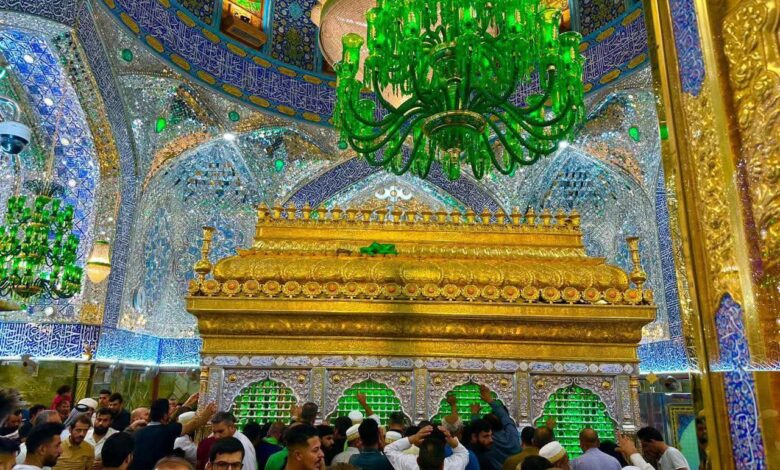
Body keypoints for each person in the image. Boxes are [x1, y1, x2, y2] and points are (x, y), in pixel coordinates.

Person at [132, 398, 217, 470]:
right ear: (165, 415)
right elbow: (193, 424)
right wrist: (208, 412)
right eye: (169, 410)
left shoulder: (138, 432)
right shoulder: (168, 430)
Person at [469, 385, 519, 470]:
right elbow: (505, 417)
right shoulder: (512, 434)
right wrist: (490, 400)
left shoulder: (489, 441)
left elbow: (477, 427)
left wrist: (474, 413)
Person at [385, 426, 469, 470]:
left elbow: (389, 449)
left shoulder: (409, 464)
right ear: (442, 465)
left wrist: (413, 438)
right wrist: (451, 439)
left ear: (418, 461)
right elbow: (463, 453)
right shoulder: (453, 466)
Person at [617, 428, 690, 470]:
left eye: (645, 446)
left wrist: (633, 453)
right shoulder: (662, 458)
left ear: (652, 441)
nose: (645, 450)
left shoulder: (671, 452)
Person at [440, 398, 479, 470]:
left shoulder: (436, 454)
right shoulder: (469, 456)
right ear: (461, 430)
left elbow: (453, 423)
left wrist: (453, 405)